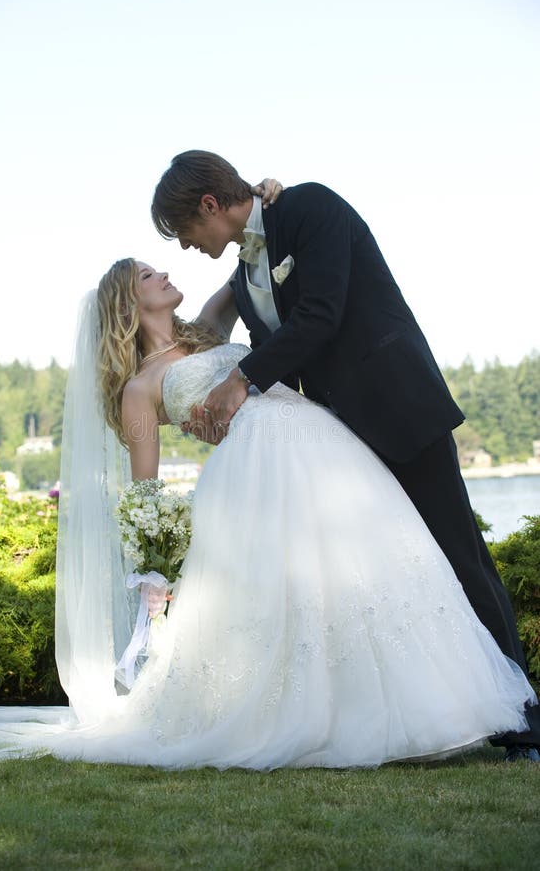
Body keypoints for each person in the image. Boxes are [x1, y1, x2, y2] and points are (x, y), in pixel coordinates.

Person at [0, 257, 535, 767]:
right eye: (150, 274)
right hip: (256, 475)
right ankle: (309, 722)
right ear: (128, 302)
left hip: (323, 446)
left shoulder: (206, 329)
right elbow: (144, 489)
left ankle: (424, 711)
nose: (166, 272)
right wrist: (154, 570)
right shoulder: (139, 390)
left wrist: (267, 200)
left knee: (363, 573)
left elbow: (250, 259)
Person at [151, 150, 540, 762]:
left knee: (458, 555)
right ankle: (427, 711)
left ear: (209, 206)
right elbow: (260, 341)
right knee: (402, 570)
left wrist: (240, 381)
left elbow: (321, 314)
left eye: (185, 232)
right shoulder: (245, 276)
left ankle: (522, 722)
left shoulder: (309, 208)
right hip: (336, 434)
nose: (187, 247)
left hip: (397, 407)